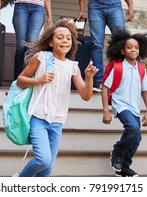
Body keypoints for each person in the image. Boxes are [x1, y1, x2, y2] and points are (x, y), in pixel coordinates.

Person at [15, 19, 98, 177]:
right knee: (43, 160)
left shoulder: (72, 66)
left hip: (58, 121)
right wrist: (39, 80)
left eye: (68, 38)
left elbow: (86, 96)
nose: (64, 40)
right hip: (38, 117)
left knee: (47, 171)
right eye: (60, 37)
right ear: (51, 42)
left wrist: (89, 78)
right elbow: (20, 80)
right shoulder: (41, 58)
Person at [101, 28, 147, 177]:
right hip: (121, 105)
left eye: (136, 47)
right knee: (132, 128)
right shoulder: (117, 67)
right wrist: (106, 110)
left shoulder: (141, 70)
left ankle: (123, 168)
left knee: (136, 138)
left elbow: (145, 91)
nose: (133, 50)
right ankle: (118, 150)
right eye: (129, 47)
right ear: (122, 51)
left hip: (134, 107)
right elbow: (105, 88)